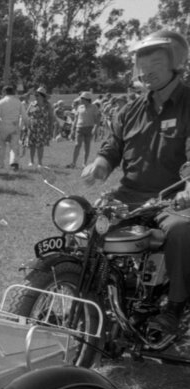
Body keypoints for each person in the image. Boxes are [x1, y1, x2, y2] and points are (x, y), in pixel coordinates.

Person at [81, 30, 190, 335]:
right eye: (142, 63)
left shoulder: (188, 106)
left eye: (155, 61)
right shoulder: (129, 110)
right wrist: (99, 166)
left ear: (176, 63)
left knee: (181, 231)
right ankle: (97, 297)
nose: (146, 70)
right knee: (86, 224)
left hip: (173, 199)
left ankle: (174, 307)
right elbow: (112, 148)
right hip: (129, 196)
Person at [0, 85, 23, 171]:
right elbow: (24, 116)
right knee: (14, 146)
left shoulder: (0, 102)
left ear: (4, 92)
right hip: (14, 127)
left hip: (3, 126)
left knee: (1, 146)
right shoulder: (18, 102)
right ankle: (14, 162)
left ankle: (0, 165)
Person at [24, 87, 55, 167]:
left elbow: (51, 117)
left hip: (43, 128)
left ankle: (40, 162)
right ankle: (31, 161)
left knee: (40, 146)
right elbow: (27, 115)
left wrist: (51, 129)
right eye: (35, 95)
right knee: (32, 145)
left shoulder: (48, 105)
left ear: (42, 96)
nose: (36, 96)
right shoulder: (32, 104)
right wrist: (25, 127)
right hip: (32, 128)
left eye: (37, 95)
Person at [69, 91, 100, 168]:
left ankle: (84, 163)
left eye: (82, 99)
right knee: (77, 145)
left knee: (87, 146)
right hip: (79, 128)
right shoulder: (80, 107)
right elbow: (76, 119)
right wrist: (72, 129)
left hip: (89, 128)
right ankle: (73, 163)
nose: (80, 100)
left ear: (87, 99)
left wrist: (95, 129)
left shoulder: (94, 107)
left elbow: (97, 120)